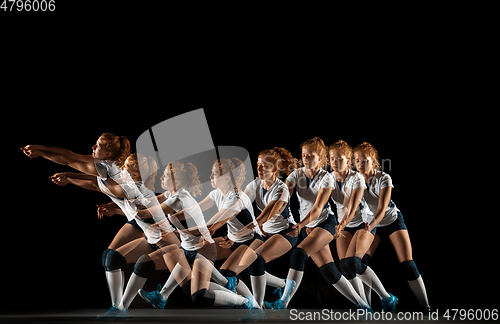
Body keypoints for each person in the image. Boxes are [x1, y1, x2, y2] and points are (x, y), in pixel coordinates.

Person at [265, 137, 370, 310]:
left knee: (298, 254)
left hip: (325, 224)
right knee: (329, 271)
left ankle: (282, 303)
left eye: (311, 155)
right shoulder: (296, 174)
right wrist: (268, 219)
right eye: (304, 155)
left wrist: (299, 225)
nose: (306, 158)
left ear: (320, 158)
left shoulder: (326, 178)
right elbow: (282, 199)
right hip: (308, 227)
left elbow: (317, 208)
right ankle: (364, 305)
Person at [354, 142, 430, 311]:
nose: (360, 164)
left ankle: (426, 307)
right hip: (371, 224)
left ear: (373, 161)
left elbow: (381, 209)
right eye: (357, 161)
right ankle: (367, 307)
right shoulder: (354, 180)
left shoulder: (384, 178)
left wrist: (371, 225)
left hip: (390, 221)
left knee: (408, 265)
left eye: (364, 160)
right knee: (359, 263)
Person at [329, 140, 397, 312]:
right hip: (344, 225)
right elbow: (320, 201)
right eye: (332, 159)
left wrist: (343, 223)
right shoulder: (328, 178)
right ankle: (364, 305)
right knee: (344, 267)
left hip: (363, 222)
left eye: (340, 159)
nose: (335, 163)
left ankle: (387, 298)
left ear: (348, 160)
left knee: (353, 262)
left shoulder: (356, 177)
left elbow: (352, 205)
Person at [243, 148, 299, 308]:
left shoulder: (281, 189)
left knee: (256, 260)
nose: (260, 169)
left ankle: (257, 307)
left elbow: (266, 215)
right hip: (264, 232)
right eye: (258, 165)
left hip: (286, 232)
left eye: (264, 166)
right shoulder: (255, 184)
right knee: (246, 262)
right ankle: (283, 284)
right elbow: (239, 204)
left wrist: (249, 228)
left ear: (274, 169)